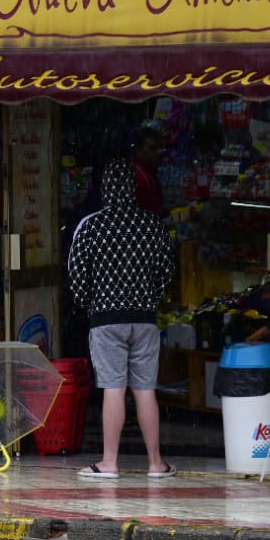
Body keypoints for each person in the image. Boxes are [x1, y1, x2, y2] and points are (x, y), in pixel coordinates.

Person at [68, 159, 177, 479]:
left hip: (105, 319)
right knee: (145, 389)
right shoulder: (153, 225)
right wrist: (150, 297)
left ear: (104, 189)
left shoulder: (90, 227)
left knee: (113, 388)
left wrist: (89, 304)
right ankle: (156, 464)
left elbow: (76, 277)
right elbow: (167, 272)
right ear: (133, 189)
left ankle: (110, 463)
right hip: (143, 319)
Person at [131, 122, 167, 221]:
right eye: (152, 148)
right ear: (138, 151)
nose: (159, 152)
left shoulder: (147, 171)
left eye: (161, 147)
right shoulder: (141, 177)